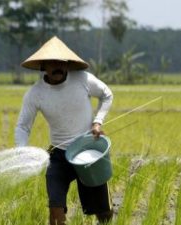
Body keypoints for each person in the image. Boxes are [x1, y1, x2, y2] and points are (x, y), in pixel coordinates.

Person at [15, 36, 114, 225]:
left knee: (103, 213)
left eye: (61, 62)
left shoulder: (83, 79)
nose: (57, 66)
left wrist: (97, 122)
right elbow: (22, 126)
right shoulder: (35, 94)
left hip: (88, 153)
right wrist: (22, 148)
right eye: (52, 63)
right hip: (59, 157)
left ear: (68, 64)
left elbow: (107, 94)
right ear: (43, 66)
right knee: (55, 210)